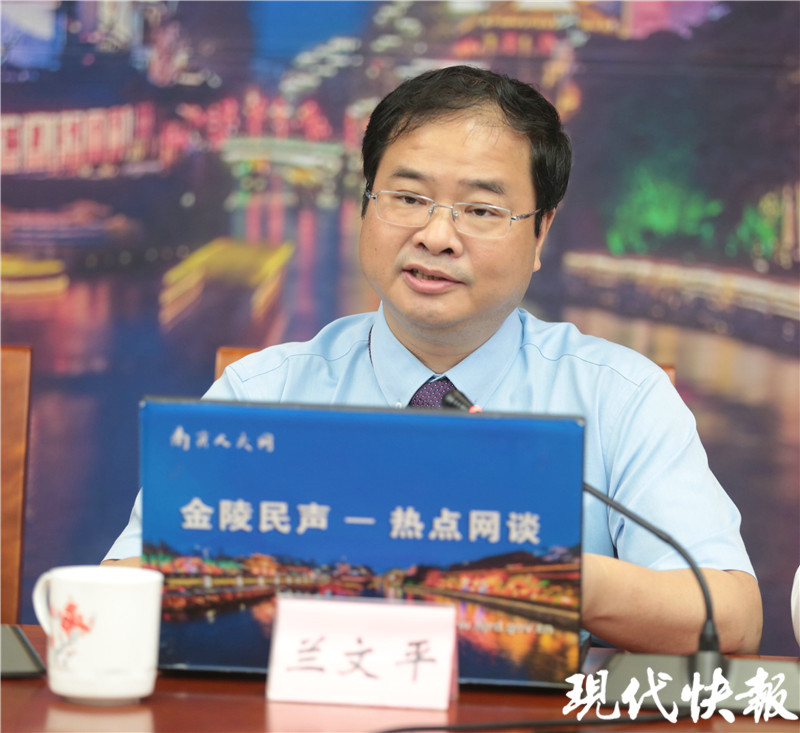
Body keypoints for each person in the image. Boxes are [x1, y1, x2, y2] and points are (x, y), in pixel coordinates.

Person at [104, 65, 762, 655]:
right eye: (409, 198)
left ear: (541, 233)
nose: (437, 235)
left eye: (481, 209)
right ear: (365, 205)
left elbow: (730, 617)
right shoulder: (261, 393)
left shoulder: (618, 394)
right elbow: (121, 594)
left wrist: (530, 573)